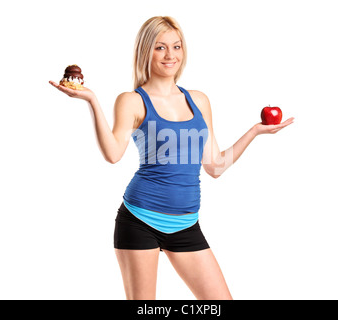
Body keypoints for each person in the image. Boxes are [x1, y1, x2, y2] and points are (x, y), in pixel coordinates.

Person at [49, 16, 294, 300]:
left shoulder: (198, 100)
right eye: (160, 47)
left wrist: (255, 131)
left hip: (187, 224)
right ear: (146, 51)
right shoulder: (132, 101)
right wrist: (92, 100)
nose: (170, 55)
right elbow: (113, 154)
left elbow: (215, 166)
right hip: (140, 220)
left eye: (176, 47)